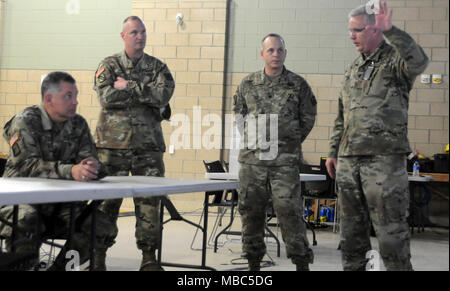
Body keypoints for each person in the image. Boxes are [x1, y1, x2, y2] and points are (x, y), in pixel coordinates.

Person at [326, 2, 429, 271]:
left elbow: (419, 60)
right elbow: (342, 116)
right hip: (349, 163)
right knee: (351, 238)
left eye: (357, 30)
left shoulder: (395, 61)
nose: (352, 36)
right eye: (350, 30)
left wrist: (392, 30)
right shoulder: (352, 69)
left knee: (390, 237)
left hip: (383, 162)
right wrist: (333, 150)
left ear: (374, 30)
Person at [0, 71, 116, 271]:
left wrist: (93, 168)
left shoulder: (78, 124)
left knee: (102, 225)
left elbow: (90, 160)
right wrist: (71, 171)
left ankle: (60, 269)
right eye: (68, 96)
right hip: (21, 202)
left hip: (61, 204)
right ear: (49, 99)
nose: (75, 102)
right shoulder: (26, 121)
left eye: (76, 95)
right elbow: (27, 166)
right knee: (27, 219)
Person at [93, 16, 175, 271]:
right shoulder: (108, 64)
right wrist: (146, 93)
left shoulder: (158, 67)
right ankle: (97, 258)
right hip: (111, 148)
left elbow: (164, 94)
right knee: (106, 204)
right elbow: (106, 97)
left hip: (148, 149)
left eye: (143, 32)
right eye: (134, 32)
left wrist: (127, 85)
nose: (140, 36)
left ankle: (149, 259)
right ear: (123, 36)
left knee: (150, 203)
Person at [233, 33, 317, 271]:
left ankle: (301, 264)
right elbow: (239, 115)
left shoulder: (298, 85)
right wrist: (254, 140)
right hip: (253, 163)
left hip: (285, 163)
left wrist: (290, 142)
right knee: (251, 213)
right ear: (263, 54)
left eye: (280, 50)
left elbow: (308, 117)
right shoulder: (247, 84)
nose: (276, 55)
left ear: (285, 53)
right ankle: (253, 264)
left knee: (289, 213)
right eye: (271, 50)